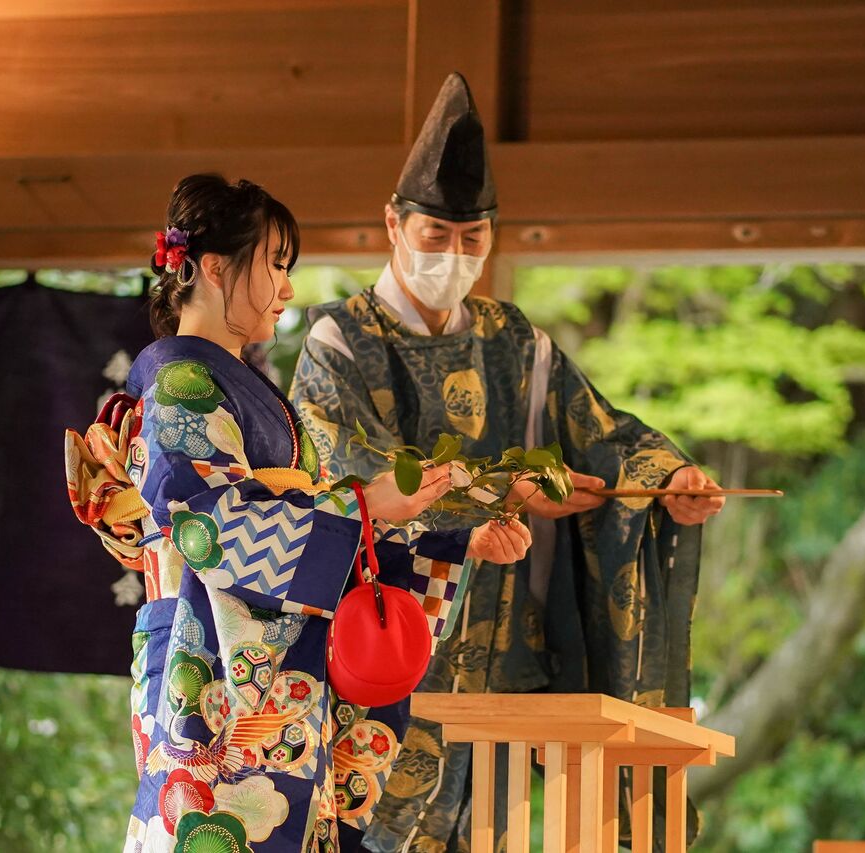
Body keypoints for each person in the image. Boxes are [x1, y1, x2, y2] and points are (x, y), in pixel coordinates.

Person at [289, 74, 726, 851]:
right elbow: (354, 475)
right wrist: (504, 494)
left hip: (505, 654)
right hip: (388, 654)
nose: (454, 255)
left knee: (494, 833)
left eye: (472, 238)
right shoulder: (339, 341)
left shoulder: (516, 341)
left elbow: (601, 434)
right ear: (393, 223)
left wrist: (668, 481)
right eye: (435, 235)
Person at [67, 174, 532, 853]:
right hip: (211, 665)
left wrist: (454, 542)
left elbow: (310, 519)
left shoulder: (234, 387)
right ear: (215, 268)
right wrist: (363, 504)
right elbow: (210, 526)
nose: (287, 288)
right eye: (276, 265)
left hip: (269, 674)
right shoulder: (179, 384)